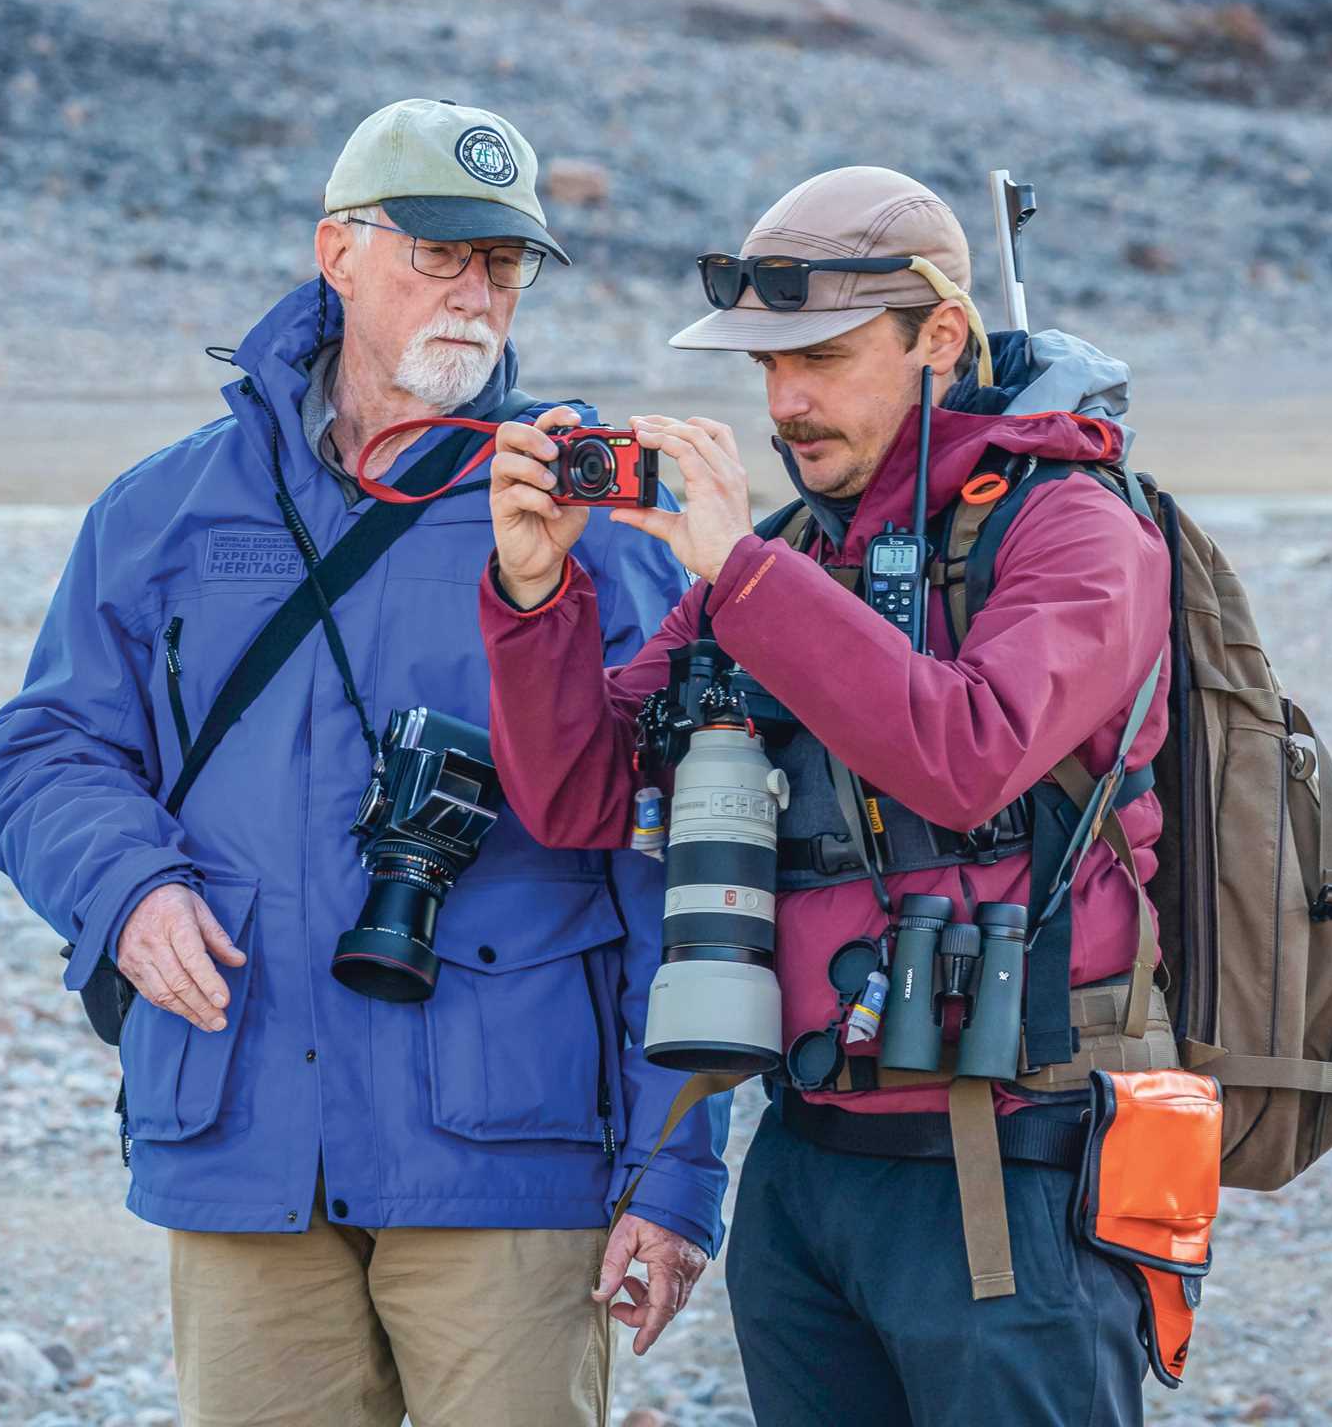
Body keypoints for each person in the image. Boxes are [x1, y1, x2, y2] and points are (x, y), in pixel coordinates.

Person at [0, 98, 725, 1427]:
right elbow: (48, 752)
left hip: (512, 1157)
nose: (475, 291)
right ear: (337, 252)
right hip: (243, 1127)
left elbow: (680, 856)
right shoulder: (168, 509)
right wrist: (130, 887)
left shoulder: (587, 522)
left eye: (500, 263)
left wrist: (674, 1173)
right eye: (438, 253)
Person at [482, 165, 1171, 1426]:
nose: (787, 404)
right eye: (765, 370)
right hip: (805, 1168)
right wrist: (535, 599)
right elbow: (583, 796)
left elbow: (969, 753)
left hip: (1006, 1162)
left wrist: (739, 577)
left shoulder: (1073, 529)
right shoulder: (793, 559)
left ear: (940, 339)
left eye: (827, 358)